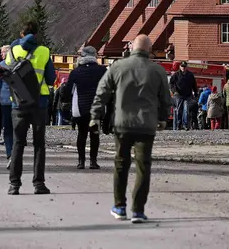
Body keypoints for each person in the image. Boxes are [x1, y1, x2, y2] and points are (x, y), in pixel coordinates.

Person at [91, 34, 171, 224]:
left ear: (132, 48)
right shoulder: (157, 71)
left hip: (123, 124)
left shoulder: (118, 67)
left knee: (121, 164)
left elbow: (102, 92)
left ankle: (119, 206)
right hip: (146, 125)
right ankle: (138, 210)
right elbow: (166, 99)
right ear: (149, 50)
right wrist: (162, 119)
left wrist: (95, 115)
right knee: (143, 166)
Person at [7, 20, 56, 196]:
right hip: (39, 103)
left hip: (18, 103)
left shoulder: (12, 51)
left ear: (21, 34)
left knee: (18, 143)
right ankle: (39, 184)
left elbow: (6, 76)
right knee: (39, 145)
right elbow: (51, 79)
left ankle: (14, 185)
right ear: (36, 34)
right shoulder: (44, 51)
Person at [69, 45, 107, 170]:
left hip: (81, 107)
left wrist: (66, 104)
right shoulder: (102, 70)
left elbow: (68, 89)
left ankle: (81, 161)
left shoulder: (76, 72)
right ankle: (93, 161)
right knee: (94, 134)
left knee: (82, 133)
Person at [172, 61, 197, 130]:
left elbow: (194, 84)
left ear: (186, 67)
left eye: (184, 66)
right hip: (179, 95)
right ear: (180, 67)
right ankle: (178, 124)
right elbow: (171, 83)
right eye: (182, 66)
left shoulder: (190, 75)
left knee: (186, 110)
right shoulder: (176, 75)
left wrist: (196, 92)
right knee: (179, 110)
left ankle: (185, 125)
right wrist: (174, 91)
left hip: (187, 95)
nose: (183, 68)